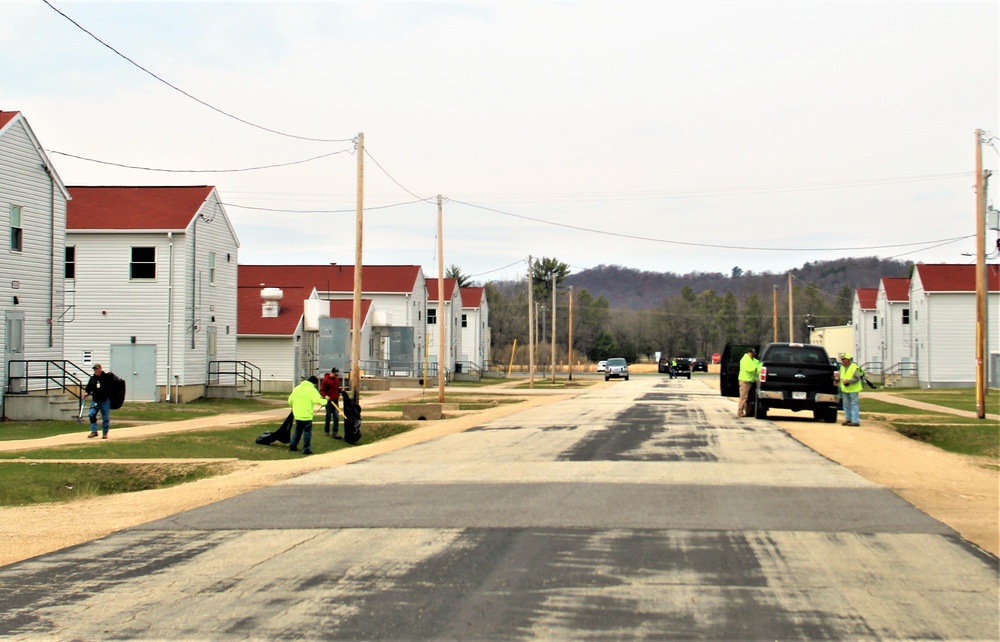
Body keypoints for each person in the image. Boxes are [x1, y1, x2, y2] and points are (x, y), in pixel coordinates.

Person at [288, 375, 326, 455]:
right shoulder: (312, 390)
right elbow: (317, 400)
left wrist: (293, 407)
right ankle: (306, 449)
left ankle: (293, 445)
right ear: (314, 383)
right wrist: (325, 402)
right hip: (306, 414)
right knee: (307, 432)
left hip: (297, 414)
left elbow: (290, 400)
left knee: (298, 430)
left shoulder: (297, 388)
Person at [84, 363, 114, 439]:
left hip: (105, 400)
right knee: (91, 414)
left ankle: (105, 433)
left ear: (100, 369)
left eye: (97, 369)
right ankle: (94, 431)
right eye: (94, 369)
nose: (95, 370)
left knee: (105, 418)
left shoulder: (106, 378)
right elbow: (88, 388)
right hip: (95, 400)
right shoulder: (92, 379)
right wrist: (87, 393)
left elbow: (111, 387)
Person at [839, 352, 863, 426]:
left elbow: (857, 378)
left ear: (848, 360)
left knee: (853, 404)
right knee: (846, 404)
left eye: (843, 359)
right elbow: (841, 376)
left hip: (853, 389)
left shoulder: (854, 367)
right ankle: (848, 419)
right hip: (845, 389)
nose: (842, 360)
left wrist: (848, 381)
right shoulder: (842, 367)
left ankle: (855, 420)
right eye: (841, 359)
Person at [737, 348, 761, 418]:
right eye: (752, 354)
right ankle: (740, 412)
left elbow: (760, 366)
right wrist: (756, 368)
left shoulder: (754, 360)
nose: (753, 355)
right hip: (745, 381)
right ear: (748, 353)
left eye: (754, 354)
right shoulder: (744, 360)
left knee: (749, 398)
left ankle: (748, 412)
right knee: (744, 397)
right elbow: (750, 369)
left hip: (752, 381)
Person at [320, 368, 343, 439]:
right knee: (328, 416)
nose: (336, 376)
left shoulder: (337, 379)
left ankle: (335, 432)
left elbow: (336, 388)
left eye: (337, 374)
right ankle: (327, 430)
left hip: (335, 400)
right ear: (331, 373)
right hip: (329, 401)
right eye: (335, 374)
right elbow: (321, 390)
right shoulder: (326, 380)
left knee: (336, 416)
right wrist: (325, 396)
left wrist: (340, 390)